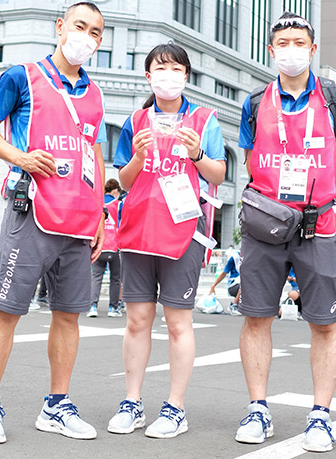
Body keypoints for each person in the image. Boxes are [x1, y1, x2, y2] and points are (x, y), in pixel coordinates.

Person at [0, 2, 107, 444]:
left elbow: (95, 153)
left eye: (96, 32)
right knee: (7, 311)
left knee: (69, 316)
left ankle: (56, 406)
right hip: (31, 212)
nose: (86, 36)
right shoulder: (22, 76)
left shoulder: (96, 94)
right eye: (79, 26)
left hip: (79, 220)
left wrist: (101, 212)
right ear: (60, 27)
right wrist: (20, 157)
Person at [235, 12, 336, 452]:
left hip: (319, 225)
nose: (290, 49)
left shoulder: (335, 99)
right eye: (282, 42)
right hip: (264, 226)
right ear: (272, 51)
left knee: (324, 323)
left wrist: (319, 197)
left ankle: (320, 417)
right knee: (256, 317)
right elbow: (251, 163)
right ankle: (257, 409)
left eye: (299, 42)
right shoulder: (254, 102)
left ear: (312, 50)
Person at [107, 42, 226, 439]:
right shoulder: (136, 119)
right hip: (139, 231)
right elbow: (121, 180)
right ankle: (132, 402)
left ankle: (175, 407)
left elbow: (218, 175)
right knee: (137, 321)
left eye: (176, 69)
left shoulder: (204, 119)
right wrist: (139, 158)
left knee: (178, 323)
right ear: (148, 76)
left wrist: (195, 155)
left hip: (184, 232)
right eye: (161, 68)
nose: (168, 75)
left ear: (186, 76)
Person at [88, 178, 124, 318]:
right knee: (115, 278)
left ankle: (93, 306)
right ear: (115, 191)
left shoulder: (98, 202)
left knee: (96, 276)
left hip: (98, 244)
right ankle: (113, 308)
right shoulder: (118, 204)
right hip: (115, 245)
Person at [208, 249, 241, 316]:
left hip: (241, 285)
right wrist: (213, 285)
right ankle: (233, 305)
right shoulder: (234, 258)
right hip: (234, 285)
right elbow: (224, 273)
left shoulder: (251, 259)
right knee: (245, 284)